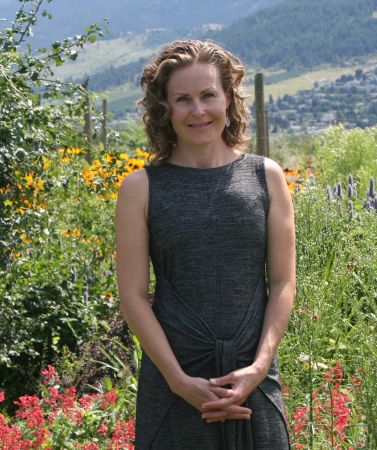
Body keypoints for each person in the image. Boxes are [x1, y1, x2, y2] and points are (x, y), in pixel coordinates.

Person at [115, 39, 296, 449]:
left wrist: (258, 368)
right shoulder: (140, 188)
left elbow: (283, 283)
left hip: (254, 385)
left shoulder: (267, 177)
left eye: (208, 95)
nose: (198, 110)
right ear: (165, 108)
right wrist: (179, 382)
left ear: (228, 98)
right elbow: (133, 296)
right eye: (183, 99)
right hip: (174, 390)